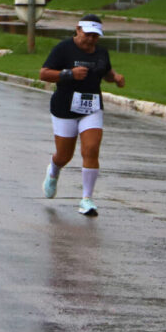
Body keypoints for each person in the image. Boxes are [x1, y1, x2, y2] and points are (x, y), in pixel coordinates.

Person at [39, 14, 126, 216]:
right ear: (78, 30)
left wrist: (115, 77)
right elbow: (44, 73)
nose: (91, 40)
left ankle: (87, 199)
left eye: (95, 36)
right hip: (65, 108)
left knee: (91, 149)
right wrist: (69, 73)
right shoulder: (63, 48)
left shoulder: (102, 52)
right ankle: (53, 171)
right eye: (88, 35)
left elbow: (105, 71)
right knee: (64, 155)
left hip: (91, 107)